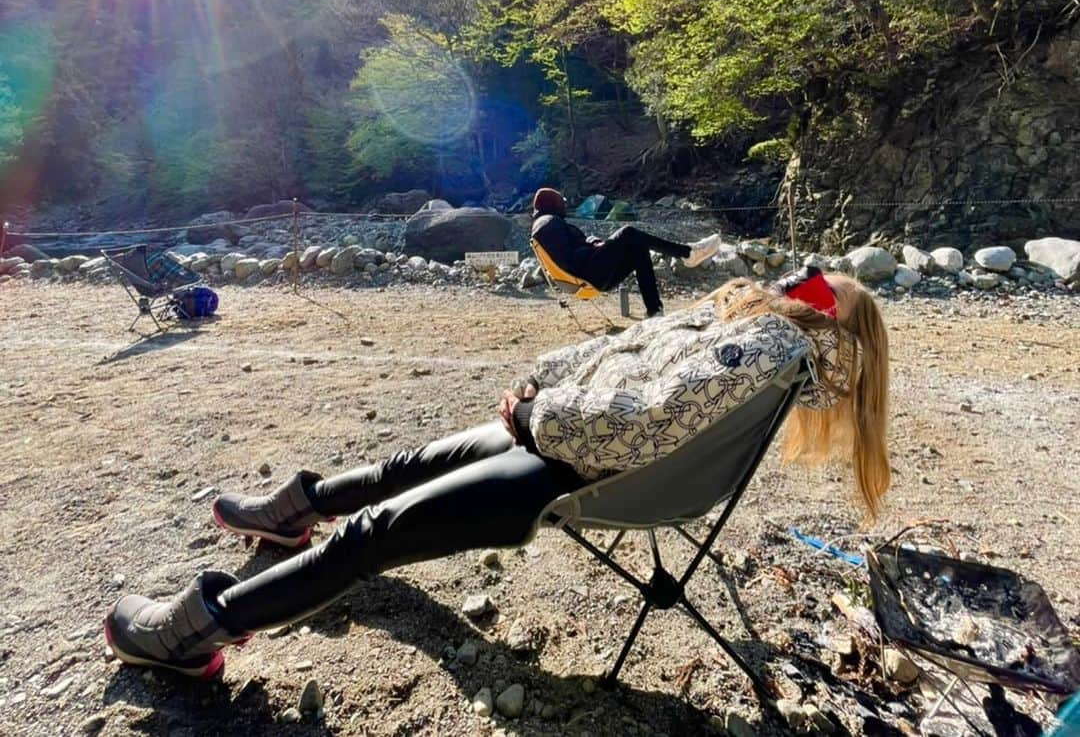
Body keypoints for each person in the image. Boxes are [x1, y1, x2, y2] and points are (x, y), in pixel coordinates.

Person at [104, 271, 890, 678]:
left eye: (819, 291)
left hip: (574, 468)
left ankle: (195, 631)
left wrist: (537, 418)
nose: (798, 285)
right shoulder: (744, 323)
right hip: (561, 437)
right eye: (807, 276)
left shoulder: (769, 346)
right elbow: (620, 353)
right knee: (404, 466)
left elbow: (649, 419)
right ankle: (295, 511)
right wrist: (536, 385)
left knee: (378, 534)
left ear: (833, 326)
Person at [530, 187, 721, 317]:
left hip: (591, 271)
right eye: (561, 202)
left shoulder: (548, 223)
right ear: (553, 204)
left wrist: (595, 243)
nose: (565, 206)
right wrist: (594, 250)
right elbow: (569, 261)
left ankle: (654, 311)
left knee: (638, 248)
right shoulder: (548, 225)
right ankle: (687, 253)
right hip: (588, 274)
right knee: (628, 232)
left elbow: (576, 243)